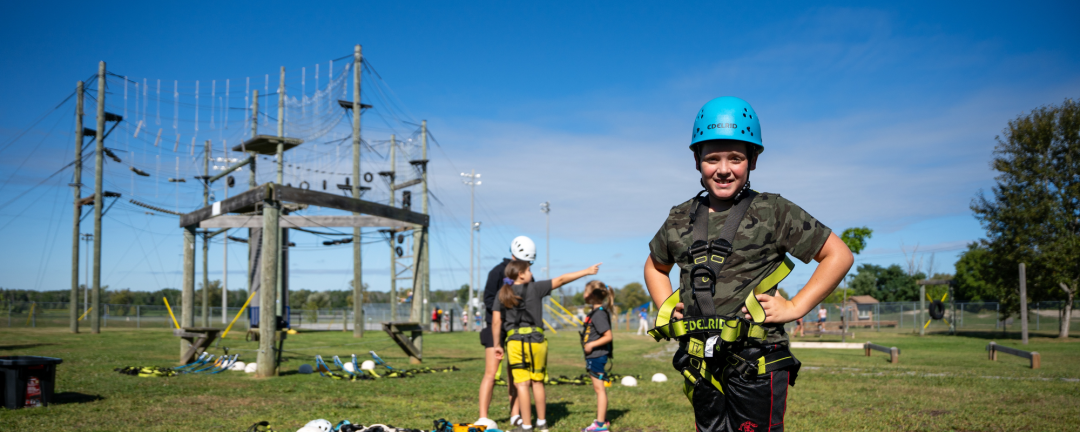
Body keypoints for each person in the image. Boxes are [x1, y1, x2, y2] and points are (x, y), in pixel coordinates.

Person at [643, 97, 853, 431]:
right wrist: (664, 306)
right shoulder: (679, 217)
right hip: (700, 360)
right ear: (696, 160)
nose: (723, 169)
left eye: (736, 158)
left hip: (756, 359)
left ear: (753, 160)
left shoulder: (773, 211)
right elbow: (655, 266)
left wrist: (796, 306)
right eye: (712, 158)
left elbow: (838, 255)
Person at [493, 260, 602, 432]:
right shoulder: (535, 288)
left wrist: (497, 345)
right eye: (529, 270)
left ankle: (527, 426)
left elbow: (496, 321)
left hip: (515, 342)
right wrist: (586, 271)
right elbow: (561, 280)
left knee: (521, 385)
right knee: (537, 382)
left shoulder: (502, 293)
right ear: (521, 274)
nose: (531, 273)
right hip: (536, 341)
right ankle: (542, 423)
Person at [476, 236, 537, 428]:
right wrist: (506, 312)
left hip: (517, 331)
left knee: (516, 374)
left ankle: (515, 414)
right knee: (491, 373)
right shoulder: (496, 272)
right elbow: (488, 299)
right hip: (495, 328)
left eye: (529, 263)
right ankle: (483, 416)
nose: (526, 266)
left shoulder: (528, 275)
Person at [580, 281, 615, 432]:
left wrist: (591, 345)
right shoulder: (595, 312)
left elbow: (608, 336)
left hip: (597, 356)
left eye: (585, 291)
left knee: (599, 389)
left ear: (591, 295)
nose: (583, 294)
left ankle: (600, 425)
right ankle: (601, 421)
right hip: (594, 357)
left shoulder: (599, 313)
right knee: (598, 388)